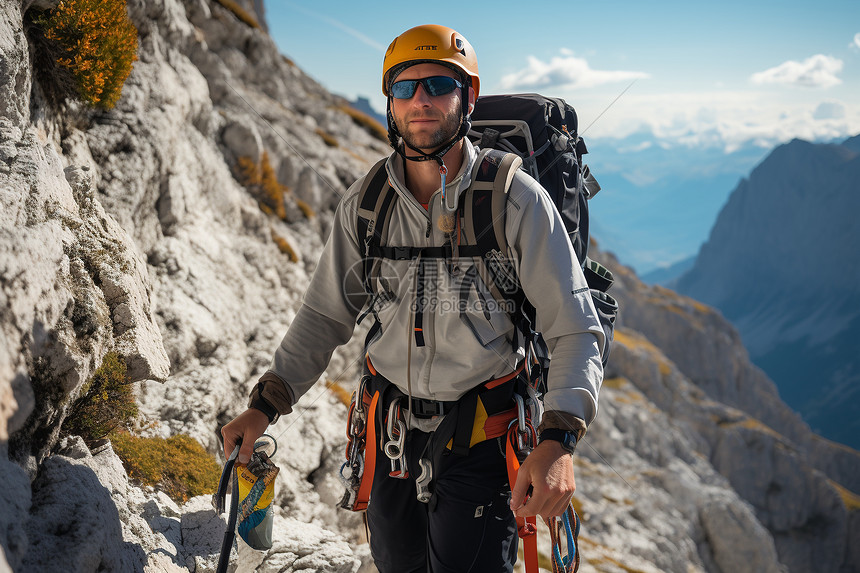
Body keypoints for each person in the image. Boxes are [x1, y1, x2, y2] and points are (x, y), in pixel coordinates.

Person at [221, 24, 605, 572]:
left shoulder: (515, 199)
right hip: (390, 433)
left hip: (483, 435)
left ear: (467, 97)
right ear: (390, 104)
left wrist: (558, 441)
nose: (420, 100)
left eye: (438, 84)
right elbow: (326, 314)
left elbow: (574, 327)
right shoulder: (367, 204)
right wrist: (265, 406)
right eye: (404, 88)